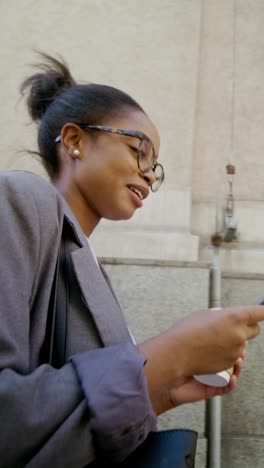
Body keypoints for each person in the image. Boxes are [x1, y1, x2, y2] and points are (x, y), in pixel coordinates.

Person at [0, 52, 263, 468]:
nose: (148, 174)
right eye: (139, 151)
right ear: (74, 142)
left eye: (154, 167)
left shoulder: (91, 267)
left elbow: (77, 425)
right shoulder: (18, 198)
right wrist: (171, 354)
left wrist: (164, 390)